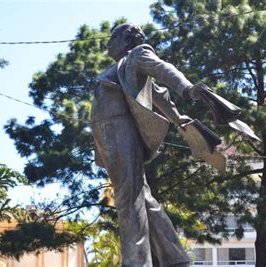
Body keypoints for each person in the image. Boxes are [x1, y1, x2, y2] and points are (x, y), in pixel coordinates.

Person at [90, 23, 197, 266]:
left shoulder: (137, 55)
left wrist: (187, 89)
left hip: (119, 129)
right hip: (107, 133)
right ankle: (175, 258)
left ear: (127, 40)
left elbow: (163, 70)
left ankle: (137, 261)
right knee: (142, 198)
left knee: (129, 198)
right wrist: (177, 117)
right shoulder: (122, 67)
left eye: (113, 37)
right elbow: (158, 94)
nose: (108, 41)